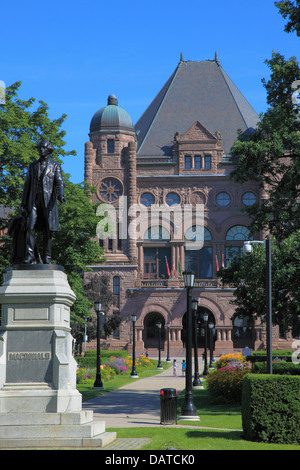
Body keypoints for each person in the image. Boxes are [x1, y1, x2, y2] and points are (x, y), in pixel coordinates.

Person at [21, 139, 65, 264]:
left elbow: (59, 182)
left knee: (48, 230)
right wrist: (23, 203)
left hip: (48, 202)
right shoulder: (33, 166)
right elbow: (27, 186)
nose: (41, 150)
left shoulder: (55, 166)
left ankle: (47, 257)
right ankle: (29, 255)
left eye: (43, 148)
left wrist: (61, 195)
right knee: (30, 227)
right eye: (39, 148)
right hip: (33, 201)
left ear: (49, 150)